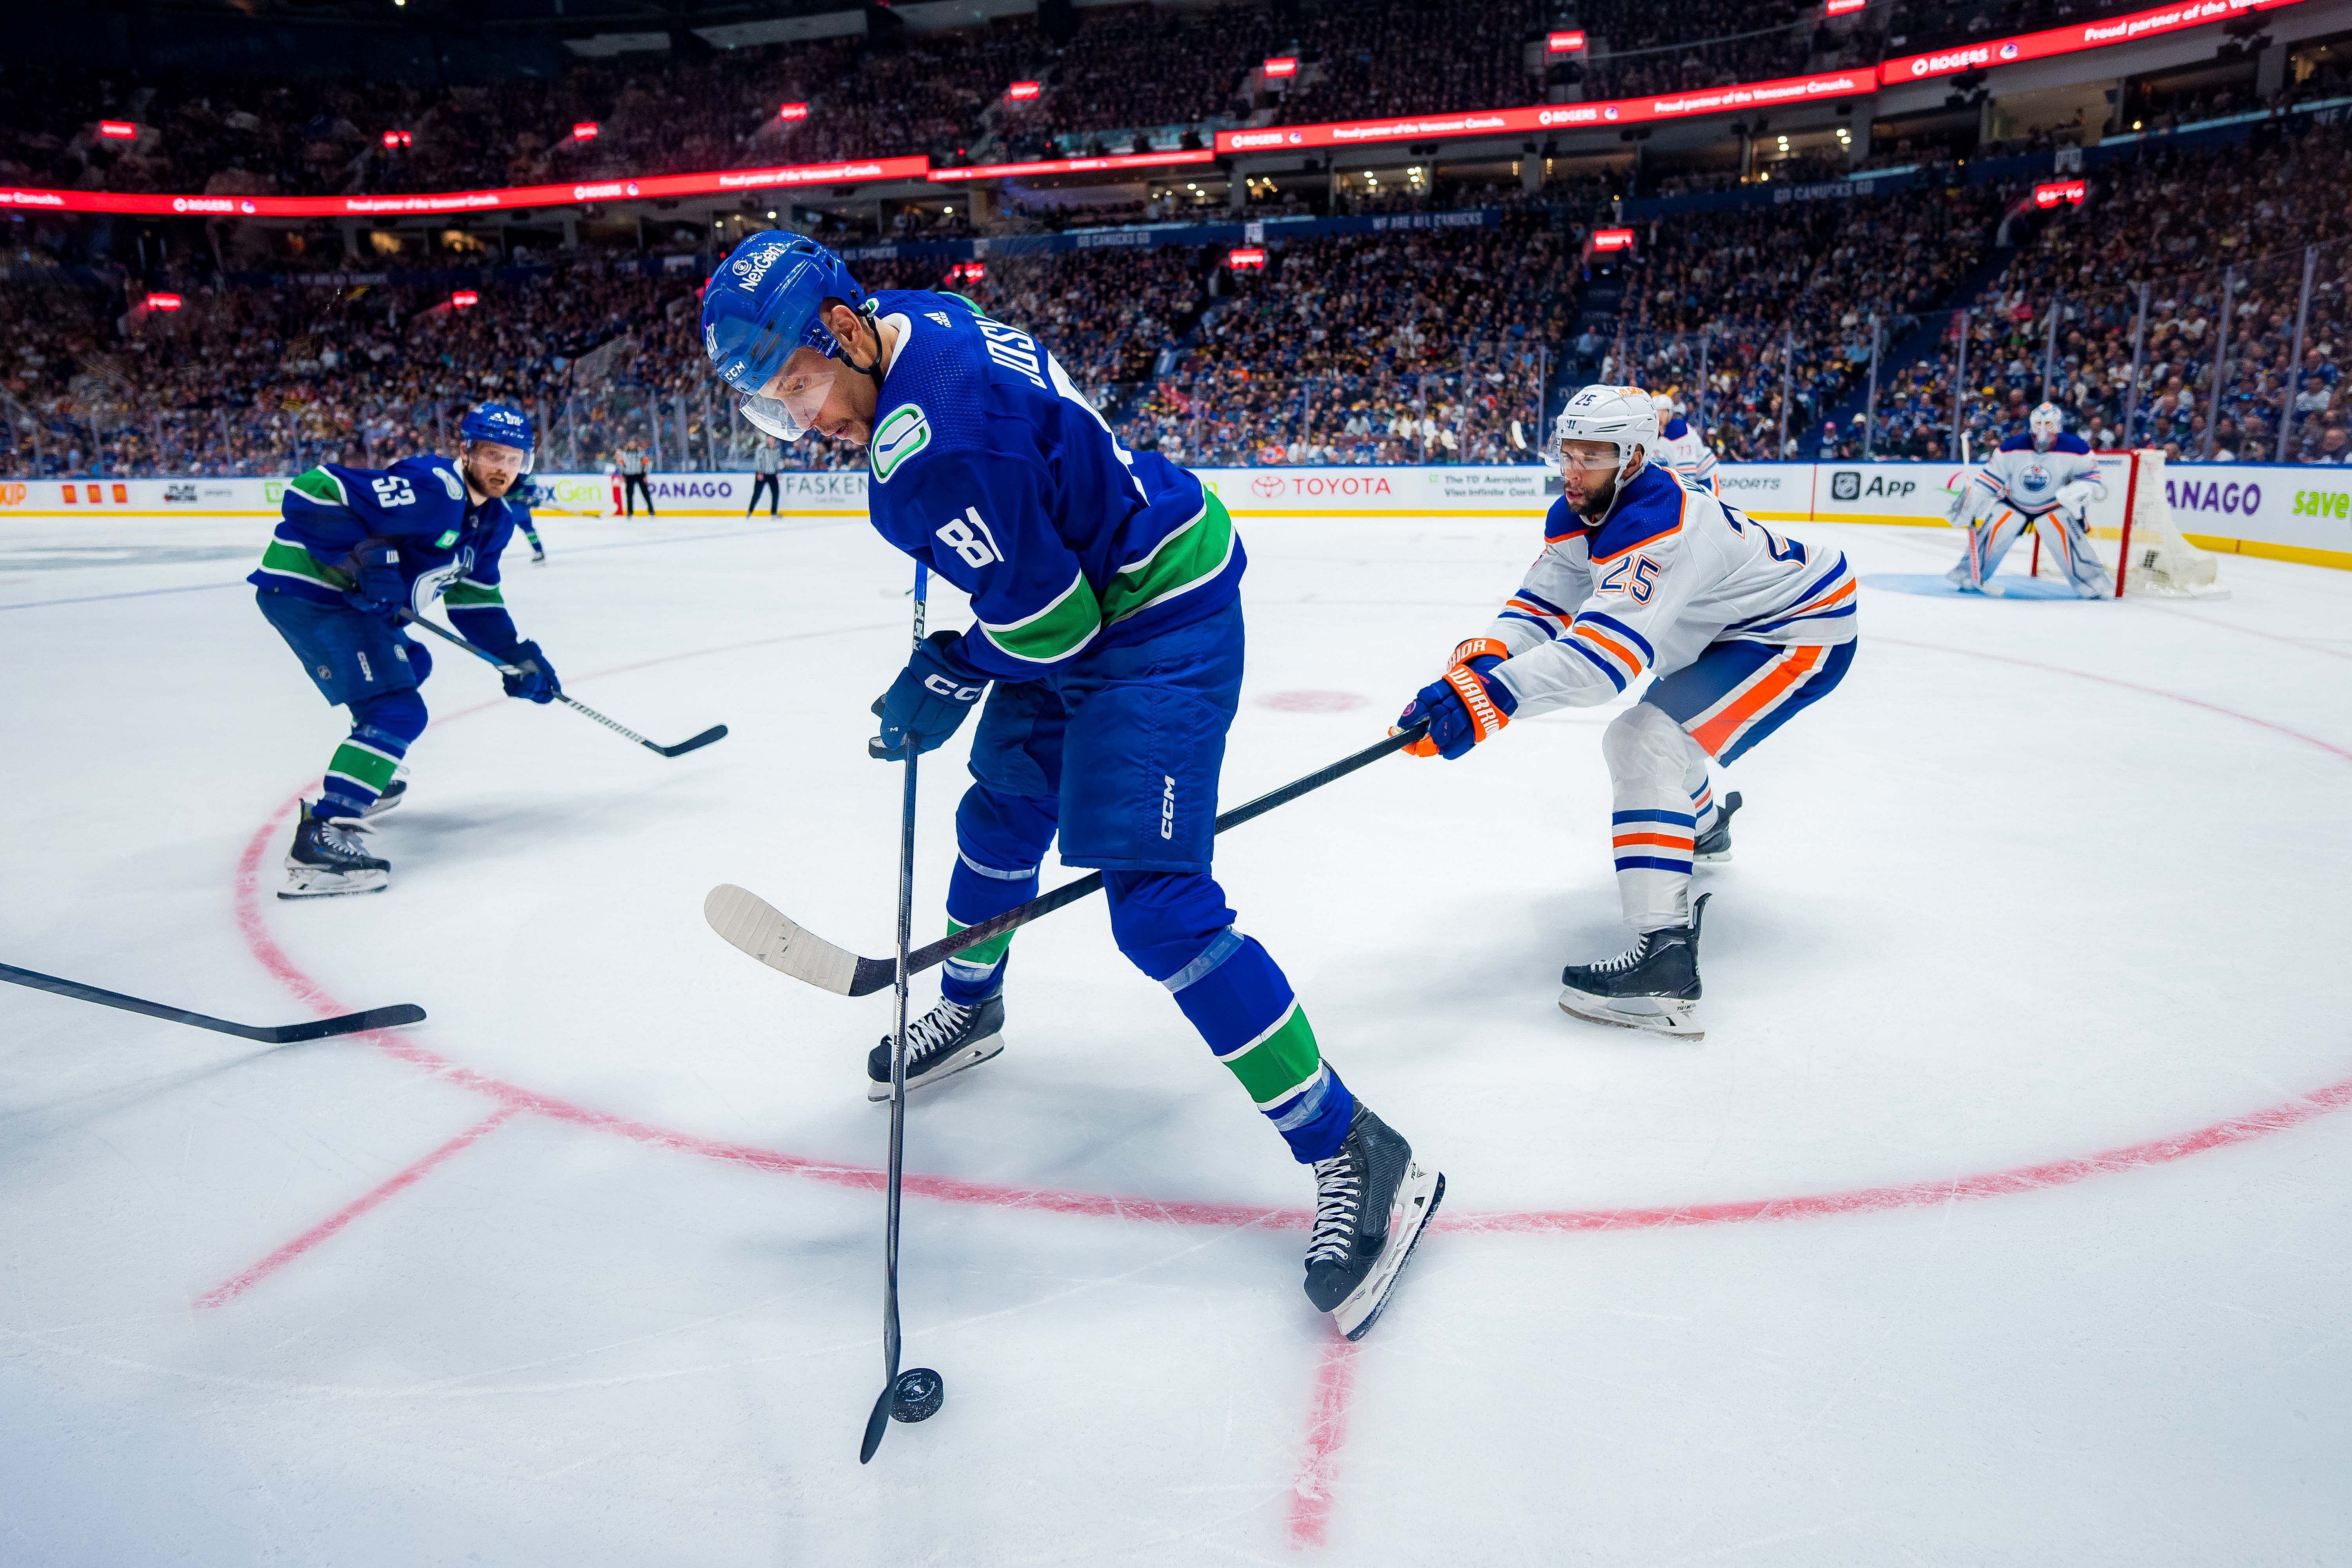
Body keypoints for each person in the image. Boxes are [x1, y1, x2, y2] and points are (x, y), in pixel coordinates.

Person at [699, 233, 1443, 1339]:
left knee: (1158, 912)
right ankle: (972, 1001)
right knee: (998, 812)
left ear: (846, 332)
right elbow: (1013, 517)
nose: (803, 421)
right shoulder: (916, 318)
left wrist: (955, 664)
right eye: (775, 404)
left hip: (1154, 619)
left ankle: (1357, 1148)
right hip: (1098, 569)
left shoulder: (933, 458)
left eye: (802, 386)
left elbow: (1052, 629)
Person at [1392, 385, 1857, 1039]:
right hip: (1721, 627)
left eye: (1594, 455)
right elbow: (1540, 609)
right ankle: (1701, 828)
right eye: (1567, 453)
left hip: (1795, 631)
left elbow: (1599, 665)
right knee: (1659, 739)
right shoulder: (1583, 507)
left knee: (1643, 741)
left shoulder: (1659, 529)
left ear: (1634, 457)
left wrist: (1485, 702)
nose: (1573, 470)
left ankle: (1664, 963)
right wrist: (1479, 666)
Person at [248, 403, 560, 897]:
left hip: (351, 607)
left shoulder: (494, 521)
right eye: (492, 454)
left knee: (414, 663)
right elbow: (313, 491)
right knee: (399, 710)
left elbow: (476, 604)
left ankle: (365, 771)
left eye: (514, 458)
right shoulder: (436, 486)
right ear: (466, 451)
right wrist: (368, 559)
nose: (503, 467)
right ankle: (323, 835)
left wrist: (517, 658)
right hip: (314, 592)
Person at [1944, 401, 2108, 597]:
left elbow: (2093, 479)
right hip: (2015, 503)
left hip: (2053, 506)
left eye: (2048, 425)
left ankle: (2094, 582)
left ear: (2058, 426)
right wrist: (1971, 502)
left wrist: (2081, 490)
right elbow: (1989, 481)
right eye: (2038, 424)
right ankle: (1968, 574)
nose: (2042, 430)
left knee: (2066, 534)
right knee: (1995, 527)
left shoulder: (2077, 448)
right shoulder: (2012, 448)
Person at [1651, 391, 1719, 494]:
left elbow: (1687, 476)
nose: (1660, 417)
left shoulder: (1680, 431)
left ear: (1671, 414)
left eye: (1664, 412)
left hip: (1704, 477)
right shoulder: (1651, 432)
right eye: (1657, 412)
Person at [746, 434, 783, 517]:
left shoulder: (777, 449)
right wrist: (760, 472)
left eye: (772, 438)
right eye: (769, 438)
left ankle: (774, 513)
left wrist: (779, 472)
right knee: (757, 494)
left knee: (776, 493)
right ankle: (750, 511)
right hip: (762, 474)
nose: (771, 439)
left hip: (772, 474)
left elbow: (778, 461)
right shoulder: (762, 448)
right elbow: (758, 460)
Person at [616, 442, 655, 517]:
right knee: (629, 494)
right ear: (628, 444)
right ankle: (630, 512)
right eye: (631, 444)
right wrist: (623, 475)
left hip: (640, 474)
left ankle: (651, 510)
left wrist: (645, 474)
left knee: (645, 493)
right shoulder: (624, 454)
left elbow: (647, 463)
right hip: (629, 475)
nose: (632, 445)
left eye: (634, 444)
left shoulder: (641, 453)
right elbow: (621, 464)